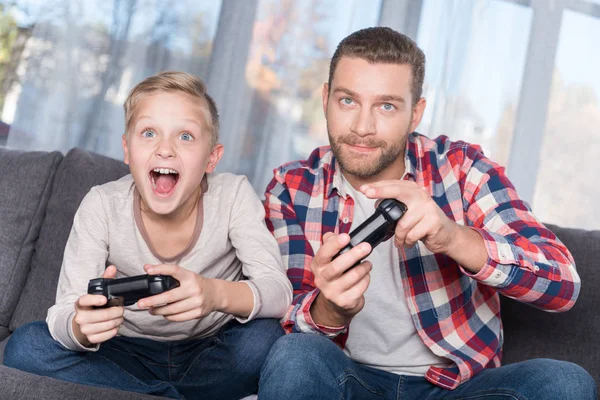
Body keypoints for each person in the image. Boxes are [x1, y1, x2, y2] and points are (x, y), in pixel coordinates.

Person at [258, 27, 596, 399]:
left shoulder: (463, 168)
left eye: (387, 105)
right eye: (347, 101)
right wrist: (331, 311)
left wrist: (453, 237)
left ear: (416, 112)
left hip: (458, 389)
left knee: (566, 382)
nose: (362, 127)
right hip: (351, 381)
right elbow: (286, 319)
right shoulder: (292, 186)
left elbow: (563, 284)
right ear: (325, 99)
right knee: (294, 355)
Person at [4, 71, 293, 400]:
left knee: (265, 338)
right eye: (149, 133)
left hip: (211, 354)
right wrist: (80, 329)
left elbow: (280, 293)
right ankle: (166, 396)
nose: (165, 149)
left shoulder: (233, 196)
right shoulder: (102, 203)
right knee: (26, 346)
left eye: (185, 136)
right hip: (122, 355)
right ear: (127, 150)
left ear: (212, 157)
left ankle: (146, 396)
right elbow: (64, 311)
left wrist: (215, 294)